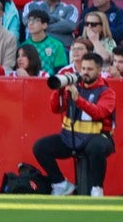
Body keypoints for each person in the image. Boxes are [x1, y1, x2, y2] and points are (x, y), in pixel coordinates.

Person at [31, 51, 116, 196]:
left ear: (99, 71)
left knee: (97, 147)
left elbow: (100, 113)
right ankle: (60, 183)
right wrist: (59, 91)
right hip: (71, 137)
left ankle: (97, 188)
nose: (85, 72)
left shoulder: (107, 92)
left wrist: (78, 100)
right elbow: (56, 109)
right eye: (83, 68)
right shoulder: (75, 86)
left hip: (98, 137)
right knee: (40, 147)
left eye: (90, 69)